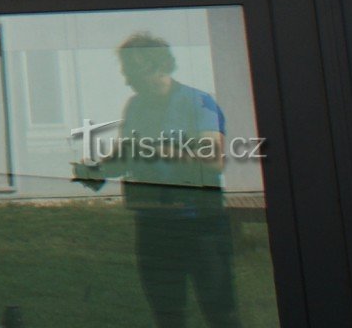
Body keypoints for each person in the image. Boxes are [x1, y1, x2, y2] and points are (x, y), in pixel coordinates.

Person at [71, 33, 241, 328]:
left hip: (201, 227)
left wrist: (154, 149)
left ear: (155, 67)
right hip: (153, 227)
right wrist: (97, 172)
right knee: (168, 317)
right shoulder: (136, 107)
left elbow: (215, 161)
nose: (126, 81)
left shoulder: (198, 103)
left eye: (130, 73)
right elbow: (126, 157)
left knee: (221, 316)